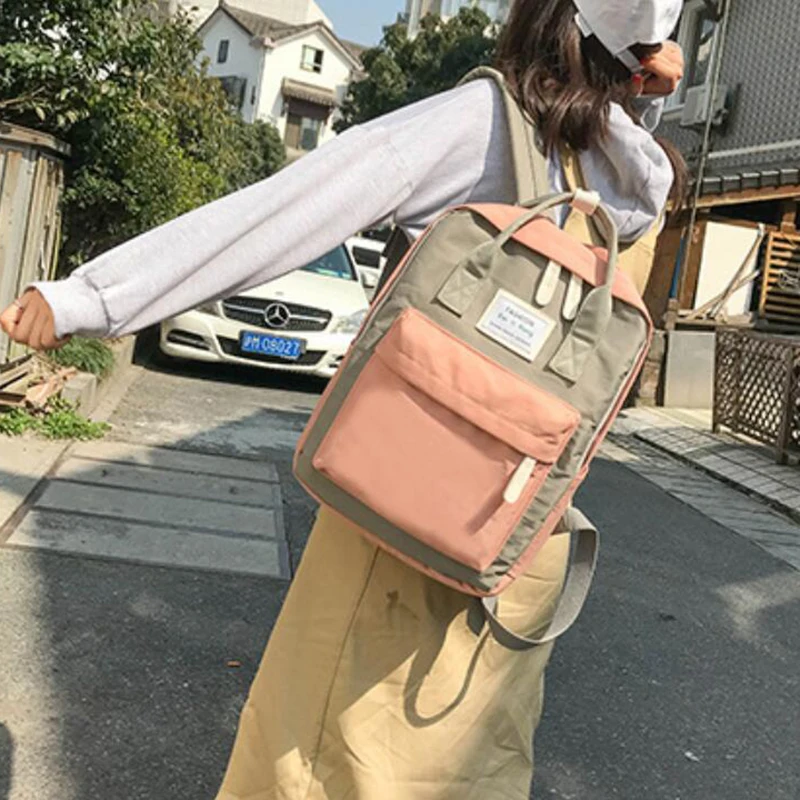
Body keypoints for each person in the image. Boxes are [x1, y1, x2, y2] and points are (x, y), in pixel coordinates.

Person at [1, 0, 686, 796]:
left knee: (318, 759)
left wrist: (92, 297)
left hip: (402, 517)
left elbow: (291, 209)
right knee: (463, 768)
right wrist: (637, 95)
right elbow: (618, 157)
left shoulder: (482, 125)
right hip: (516, 540)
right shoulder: (627, 172)